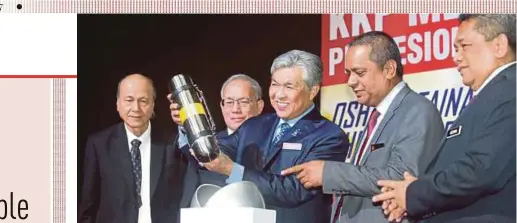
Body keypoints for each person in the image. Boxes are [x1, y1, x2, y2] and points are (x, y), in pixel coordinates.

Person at [280, 31, 445, 223]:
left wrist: (328, 173)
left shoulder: (417, 110)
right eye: (349, 73)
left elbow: (400, 177)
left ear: (389, 70)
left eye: (360, 73)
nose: (350, 82)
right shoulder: (379, 115)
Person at [170, 50, 349, 223]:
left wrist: (232, 170)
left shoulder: (329, 136)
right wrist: (188, 123)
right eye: (275, 84)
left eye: (289, 86)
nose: (278, 94)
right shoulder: (254, 125)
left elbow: (294, 191)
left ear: (312, 91)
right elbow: (209, 155)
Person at [373, 14, 516, 223]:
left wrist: (414, 194)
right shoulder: (492, 93)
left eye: (463, 46)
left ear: (499, 45)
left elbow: (480, 170)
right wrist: (413, 194)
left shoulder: (509, 90)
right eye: (455, 49)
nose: (456, 57)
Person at [78, 74, 187, 223]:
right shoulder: (99, 144)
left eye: (143, 101)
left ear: (153, 104)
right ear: (117, 104)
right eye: (129, 100)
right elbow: (88, 206)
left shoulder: (171, 142)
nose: (136, 108)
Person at [175, 74, 264, 208]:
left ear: (259, 106)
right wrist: (185, 124)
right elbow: (190, 156)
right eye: (229, 102)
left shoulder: (272, 143)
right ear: (221, 106)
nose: (235, 109)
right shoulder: (207, 144)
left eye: (244, 102)